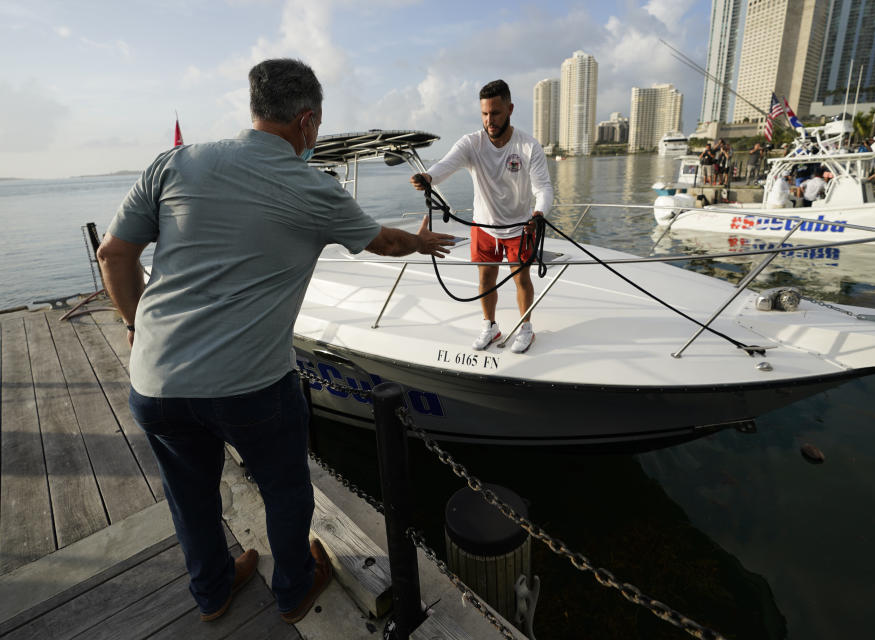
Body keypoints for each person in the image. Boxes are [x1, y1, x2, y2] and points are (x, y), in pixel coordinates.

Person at [96, 58, 454, 625]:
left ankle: (213, 592)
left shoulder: (175, 164)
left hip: (156, 381)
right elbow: (381, 242)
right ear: (308, 123)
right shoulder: (314, 187)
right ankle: (293, 591)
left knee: (191, 498)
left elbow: (114, 254)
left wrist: (137, 325)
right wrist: (420, 240)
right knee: (286, 493)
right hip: (253, 387)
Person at [410, 79, 552, 354]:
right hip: (484, 227)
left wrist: (539, 213)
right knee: (485, 280)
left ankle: (525, 327)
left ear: (510, 109)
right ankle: (490, 326)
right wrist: (428, 177)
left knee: (521, 279)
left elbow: (543, 188)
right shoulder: (471, 144)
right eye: (485, 114)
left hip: (520, 227)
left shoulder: (528, 147)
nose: (490, 120)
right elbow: (446, 165)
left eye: (496, 113)